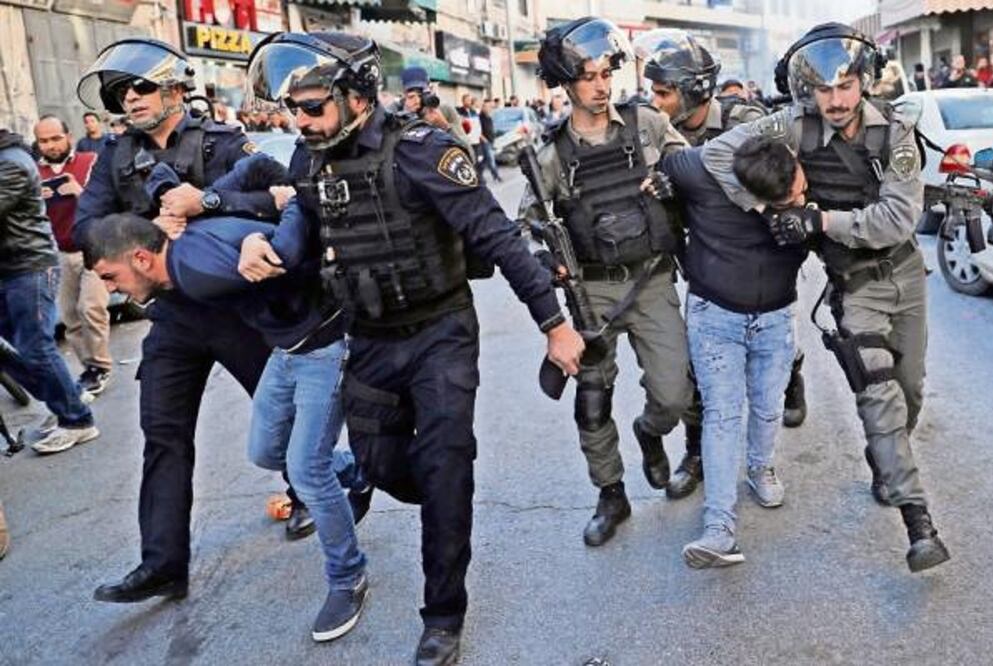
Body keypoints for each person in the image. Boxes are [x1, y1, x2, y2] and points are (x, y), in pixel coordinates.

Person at [241, 31, 584, 664]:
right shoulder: (308, 159)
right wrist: (249, 238)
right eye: (294, 110)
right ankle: (414, 487)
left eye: (313, 107)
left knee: (446, 470)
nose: (302, 122)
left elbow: (500, 239)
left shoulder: (423, 152)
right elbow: (297, 217)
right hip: (368, 339)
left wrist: (554, 323)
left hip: (440, 334)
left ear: (358, 98)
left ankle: (443, 615)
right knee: (384, 467)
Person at [701, 23, 952, 574]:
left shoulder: (896, 134)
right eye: (824, 90)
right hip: (852, 285)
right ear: (807, 91)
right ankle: (918, 523)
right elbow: (718, 156)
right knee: (879, 394)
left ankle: (886, 457)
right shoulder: (793, 125)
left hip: (905, 277)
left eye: (845, 87)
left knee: (910, 391)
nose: (835, 101)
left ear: (863, 82)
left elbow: (898, 218)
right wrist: (771, 208)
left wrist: (818, 218)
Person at [83, 167, 372, 641]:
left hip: (323, 346)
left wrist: (293, 201)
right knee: (266, 451)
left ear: (139, 257)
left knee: (306, 470)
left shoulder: (195, 272)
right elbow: (237, 184)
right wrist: (218, 204)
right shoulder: (182, 253)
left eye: (111, 276)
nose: (111, 288)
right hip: (286, 350)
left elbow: (286, 252)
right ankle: (361, 469)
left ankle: (347, 577)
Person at [72, 37, 311, 606]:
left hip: (237, 306)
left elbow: (280, 196)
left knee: (280, 410)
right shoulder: (115, 156)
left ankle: (312, 493)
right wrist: (152, 228)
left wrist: (204, 203)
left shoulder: (226, 142)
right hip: (173, 313)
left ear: (176, 88)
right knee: (162, 431)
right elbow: (87, 226)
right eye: (119, 91)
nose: (129, 98)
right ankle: (162, 563)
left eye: (141, 86)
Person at [522, 17, 699, 546]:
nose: (602, 86)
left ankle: (650, 432)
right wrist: (543, 260)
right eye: (589, 77)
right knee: (593, 397)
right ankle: (611, 493)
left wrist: (672, 179)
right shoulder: (550, 152)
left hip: (649, 279)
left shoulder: (645, 124)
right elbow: (528, 221)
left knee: (674, 391)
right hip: (591, 288)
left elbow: (689, 171)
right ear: (565, 83)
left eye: (607, 73)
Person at [657, 135, 808, 567]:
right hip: (714, 316)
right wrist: (659, 187)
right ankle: (718, 528)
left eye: (797, 189)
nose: (795, 199)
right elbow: (664, 161)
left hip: (777, 317)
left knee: (767, 407)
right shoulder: (700, 174)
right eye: (782, 200)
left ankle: (761, 468)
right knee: (722, 415)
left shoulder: (798, 161)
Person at [0, 127, 99, 454]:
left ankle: (77, 420)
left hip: (28, 266)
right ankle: (67, 394)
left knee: (35, 347)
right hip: (8, 269)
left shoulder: (11, 163)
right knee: (12, 350)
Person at [33, 115, 113, 397]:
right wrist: (36, 199)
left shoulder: (90, 160)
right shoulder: (32, 172)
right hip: (60, 252)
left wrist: (79, 192)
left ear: (68, 136)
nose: (51, 145)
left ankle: (101, 366)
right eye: (44, 140)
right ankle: (90, 368)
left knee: (91, 307)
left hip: (94, 246)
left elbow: (105, 200)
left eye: (56, 138)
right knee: (70, 316)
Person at [400, 66, 472, 158]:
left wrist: (445, 126)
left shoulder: (444, 110)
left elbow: (470, 155)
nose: (417, 100)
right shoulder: (397, 113)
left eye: (421, 93)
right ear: (404, 94)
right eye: (411, 94)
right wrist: (407, 115)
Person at [478, 98, 501, 182]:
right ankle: (496, 176)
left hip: (491, 141)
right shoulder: (480, 117)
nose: (489, 109)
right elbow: (478, 130)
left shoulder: (489, 117)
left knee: (485, 160)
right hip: (485, 141)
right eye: (487, 107)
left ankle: (478, 174)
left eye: (490, 107)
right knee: (491, 159)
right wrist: (484, 139)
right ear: (483, 108)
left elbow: (491, 128)